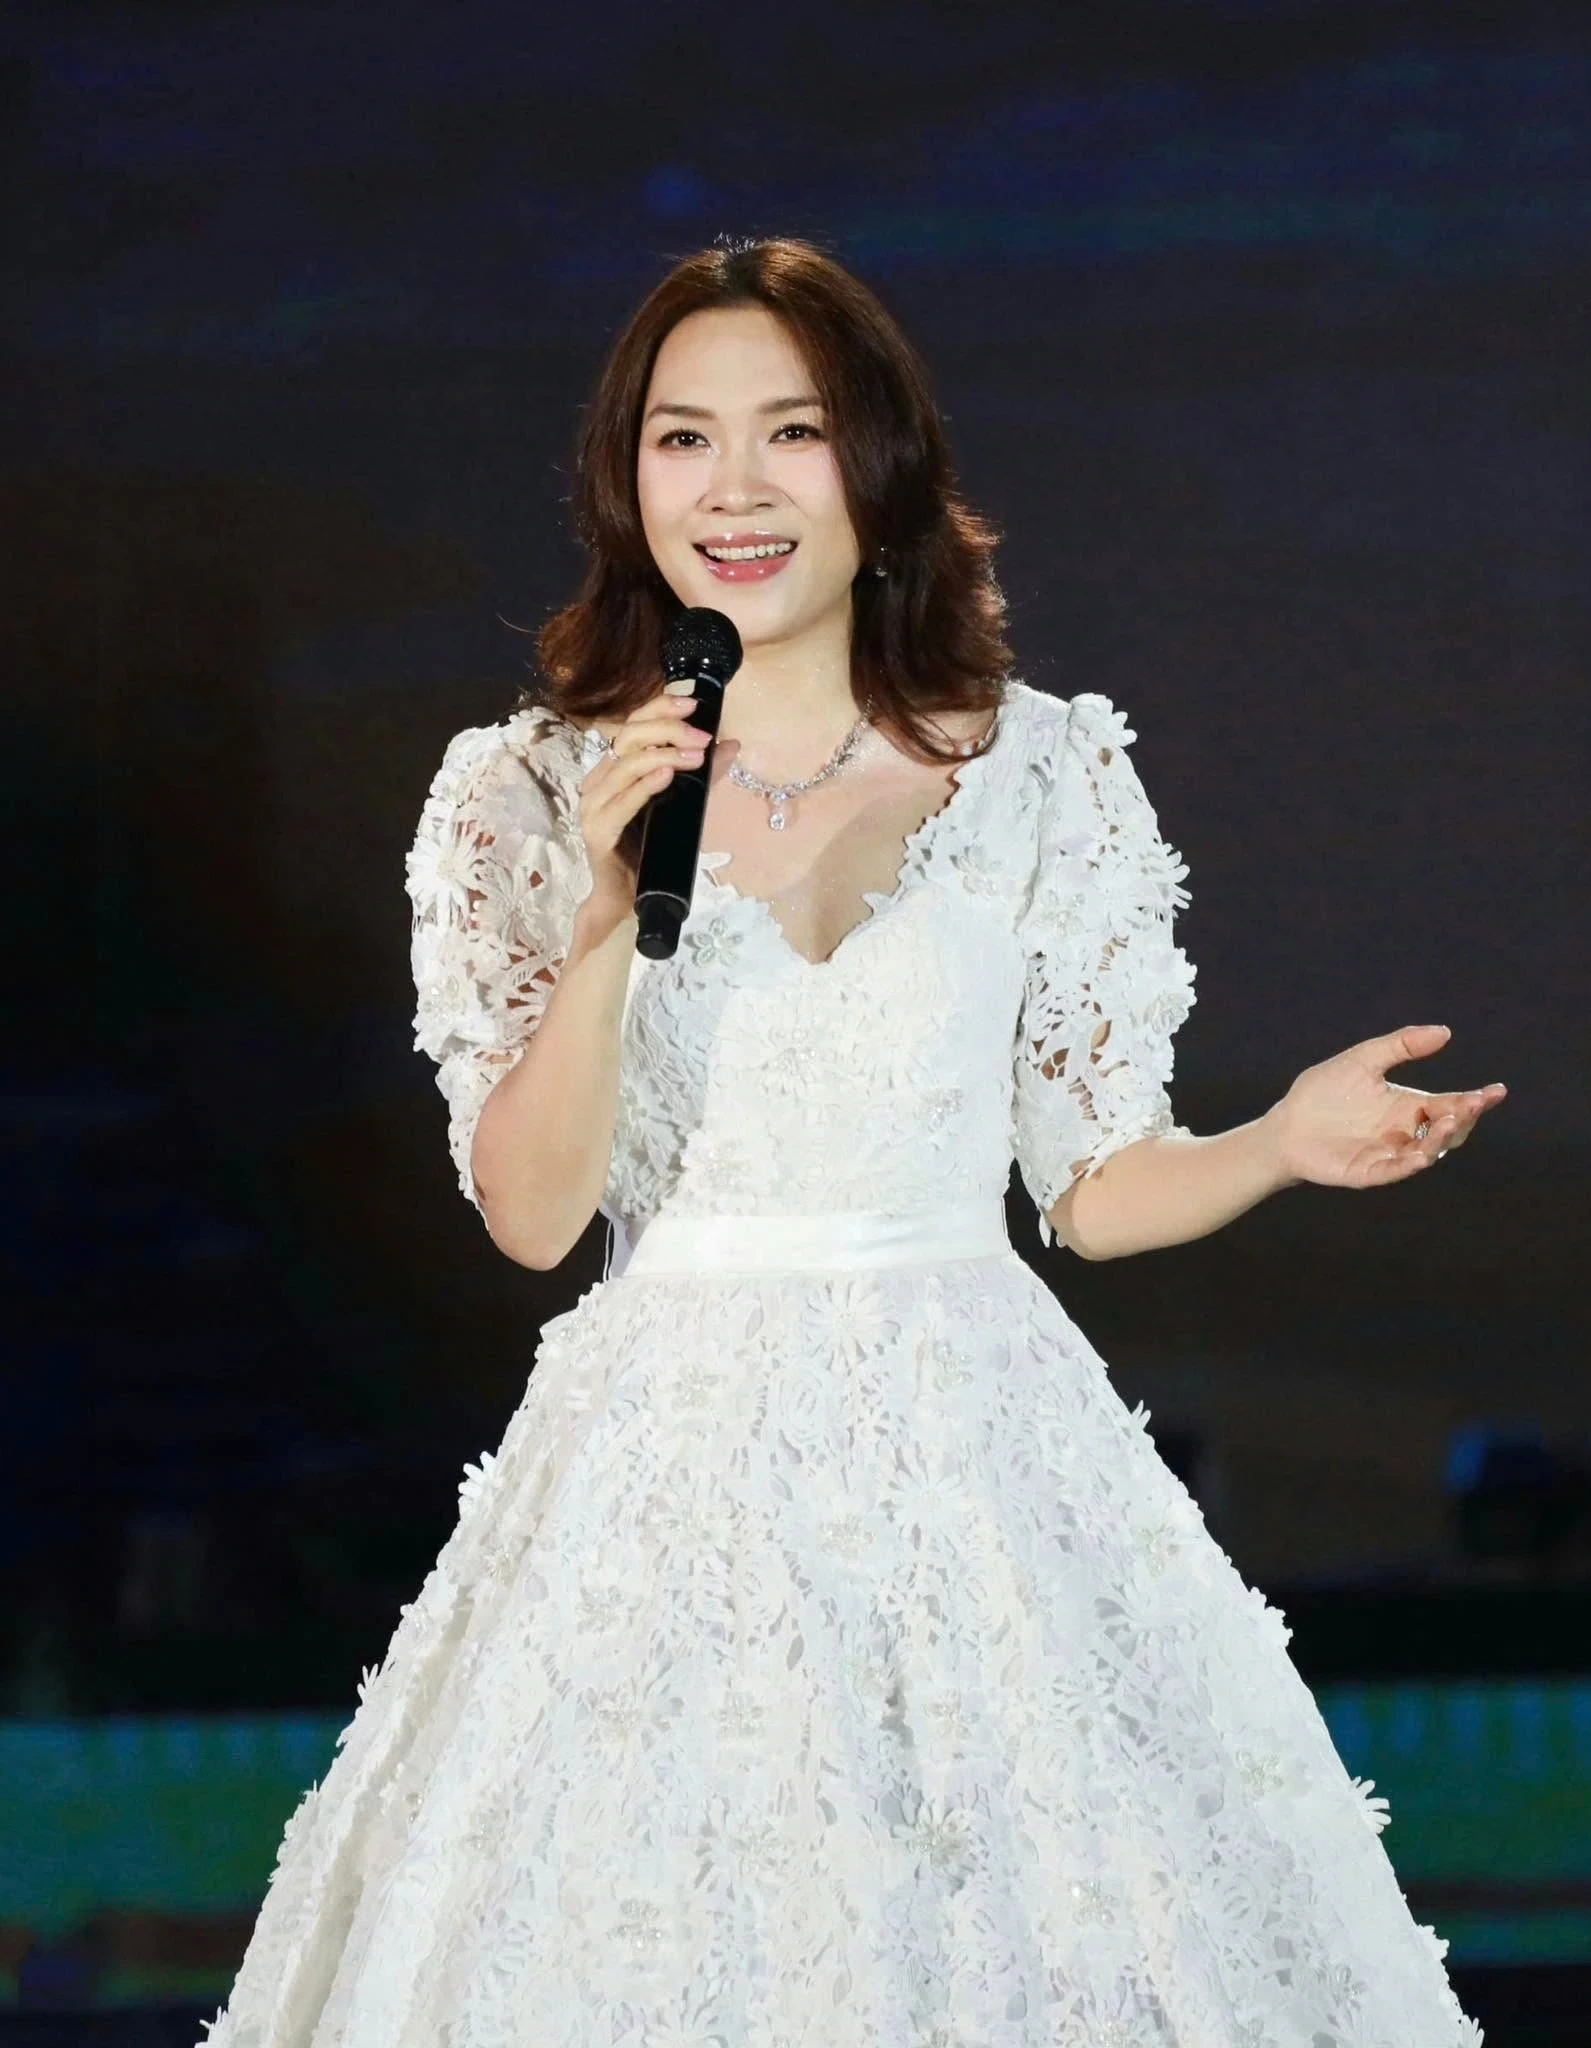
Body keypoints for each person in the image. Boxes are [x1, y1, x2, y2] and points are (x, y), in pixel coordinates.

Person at [201, 237, 1502, 2047]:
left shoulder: (1041, 770)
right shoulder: (528, 788)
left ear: (878, 465)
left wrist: (1280, 1141)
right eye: (683, 439)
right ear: (627, 481)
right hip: (665, 1484)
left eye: (791, 432)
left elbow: (1093, 1189)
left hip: (981, 1458)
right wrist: (605, 919)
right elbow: (531, 1214)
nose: (734, 490)